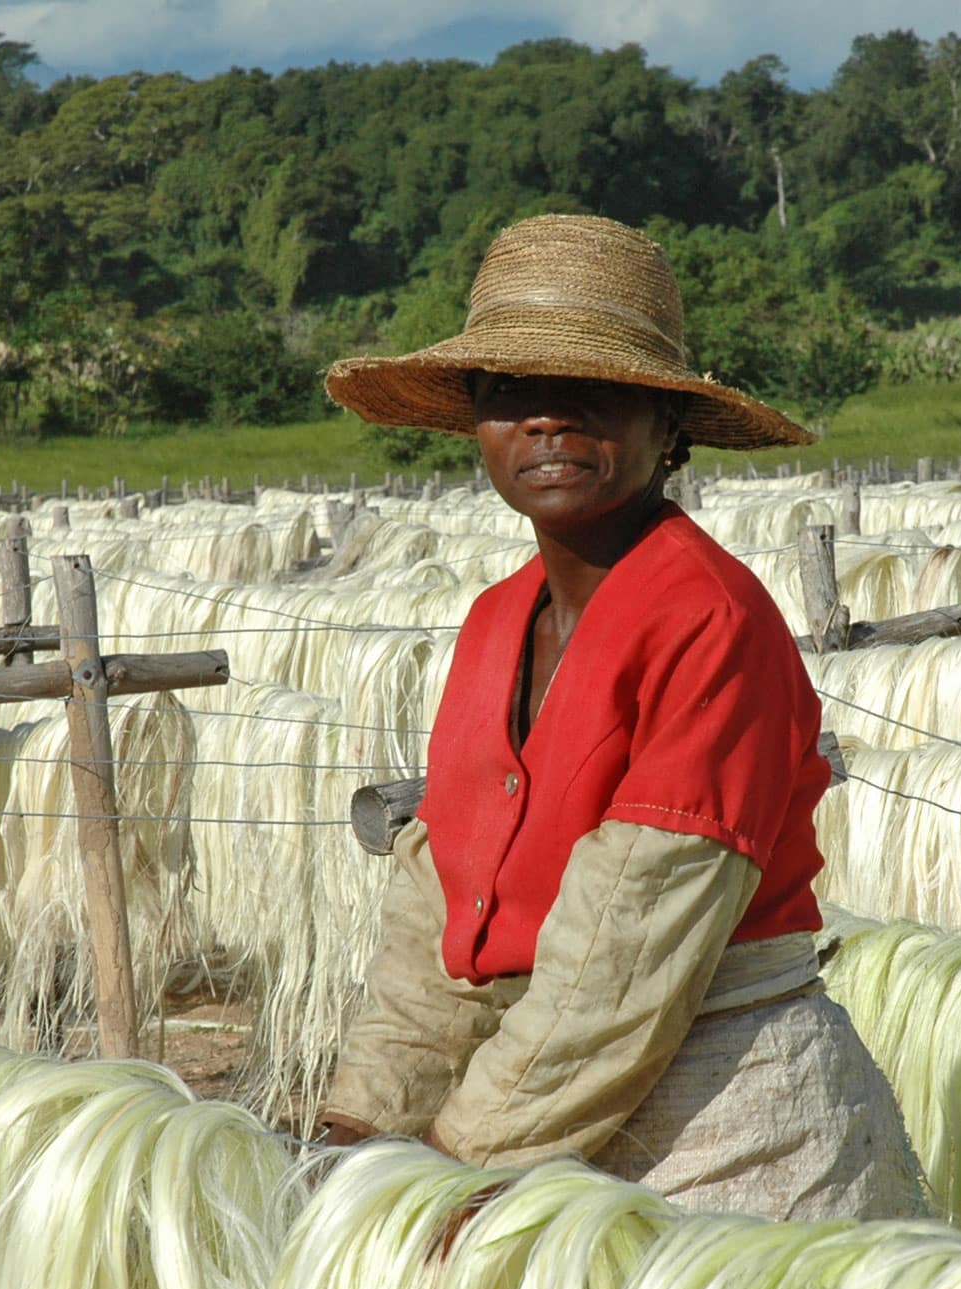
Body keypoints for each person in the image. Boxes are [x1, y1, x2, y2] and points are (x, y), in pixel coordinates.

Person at [313, 214, 921, 1221]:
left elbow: (631, 948)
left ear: (668, 427)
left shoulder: (706, 620)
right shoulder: (493, 624)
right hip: (527, 1098)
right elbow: (435, 915)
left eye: (590, 392)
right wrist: (363, 1125)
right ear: (476, 424)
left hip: (723, 1124)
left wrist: (455, 1162)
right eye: (510, 394)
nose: (546, 423)